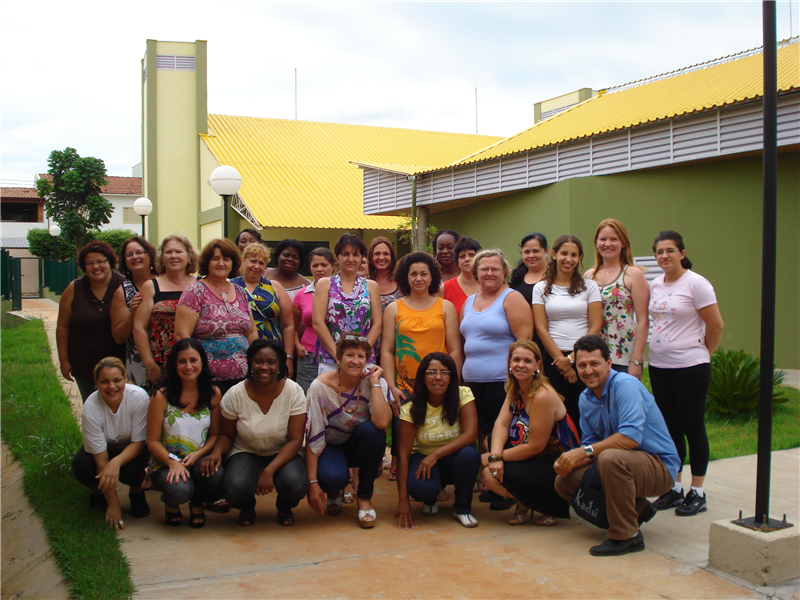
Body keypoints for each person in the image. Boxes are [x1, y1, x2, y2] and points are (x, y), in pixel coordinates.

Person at [554, 335, 680, 556]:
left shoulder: (625, 385)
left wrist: (585, 451)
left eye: (595, 364)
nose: (588, 371)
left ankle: (627, 537)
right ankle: (638, 508)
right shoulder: (585, 398)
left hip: (659, 467)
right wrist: (569, 460)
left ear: (609, 363)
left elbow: (630, 438)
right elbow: (590, 444)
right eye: (582, 365)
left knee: (610, 458)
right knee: (565, 480)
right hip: (623, 465)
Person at [648, 230, 724, 516]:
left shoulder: (696, 284)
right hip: (659, 365)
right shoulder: (655, 285)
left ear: (682, 253)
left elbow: (715, 326)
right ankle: (673, 487)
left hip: (691, 366)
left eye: (670, 250)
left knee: (693, 426)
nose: (664, 256)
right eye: (659, 252)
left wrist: (702, 353)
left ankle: (698, 491)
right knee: (670, 428)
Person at [201, 339, 308, 527]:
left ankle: (285, 507)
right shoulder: (235, 394)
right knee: (234, 488)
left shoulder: (293, 391)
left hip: (283, 451)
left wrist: (269, 471)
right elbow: (227, 435)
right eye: (258, 361)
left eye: (271, 362)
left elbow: (295, 440)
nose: (264, 367)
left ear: (280, 364)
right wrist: (217, 452)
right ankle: (246, 508)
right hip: (246, 450)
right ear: (250, 363)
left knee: (296, 484)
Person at [461, 249, 532, 510]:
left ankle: (509, 488)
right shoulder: (469, 301)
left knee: (504, 435)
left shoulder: (510, 299)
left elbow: (524, 343)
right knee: (485, 435)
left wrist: (519, 380)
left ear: (505, 272)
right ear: (475, 272)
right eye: (484, 268)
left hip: (502, 381)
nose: (489, 273)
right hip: (473, 381)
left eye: (495, 268)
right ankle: (493, 483)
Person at [382, 252, 463, 482]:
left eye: (424, 274)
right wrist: (391, 386)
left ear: (432, 277)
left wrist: (451, 381)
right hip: (405, 386)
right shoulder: (393, 308)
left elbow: (455, 349)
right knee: (406, 436)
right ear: (405, 278)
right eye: (413, 273)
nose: (419, 278)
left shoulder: (445, 307)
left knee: (439, 434)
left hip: (440, 384)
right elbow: (387, 350)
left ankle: (439, 479)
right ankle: (408, 478)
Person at [481, 341, 579, 526]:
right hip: (532, 452)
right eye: (516, 359)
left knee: (489, 475)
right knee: (489, 442)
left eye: (527, 361)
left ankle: (548, 502)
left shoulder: (541, 395)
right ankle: (526, 500)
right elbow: (501, 424)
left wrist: (495, 457)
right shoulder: (516, 387)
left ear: (537, 365)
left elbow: (536, 446)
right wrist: (495, 456)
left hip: (555, 459)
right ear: (509, 363)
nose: (521, 365)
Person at [305, 334, 392, 528]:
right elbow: (313, 434)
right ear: (338, 359)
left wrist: (375, 382)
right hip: (331, 445)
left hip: (359, 445)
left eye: (361, 356)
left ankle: (364, 497)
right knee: (333, 478)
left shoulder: (374, 382)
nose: (355, 361)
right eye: (349, 355)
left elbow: (382, 422)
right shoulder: (320, 387)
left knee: (374, 432)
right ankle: (335, 490)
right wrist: (312, 482)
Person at [395, 353, 480, 529]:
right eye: (432, 372)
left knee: (470, 455)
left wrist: (436, 454)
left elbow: (471, 434)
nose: (438, 378)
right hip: (423, 460)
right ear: (423, 378)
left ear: (451, 378)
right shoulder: (410, 408)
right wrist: (403, 500)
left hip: (452, 458)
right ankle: (430, 499)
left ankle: (462, 508)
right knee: (420, 488)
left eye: (444, 372)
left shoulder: (463, 394)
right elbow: (403, 456)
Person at [146, 338, 224, 528]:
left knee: (215, 474)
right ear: (174, 365)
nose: (188, 366)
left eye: (193, 360)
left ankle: (197, 504)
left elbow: (215, 435)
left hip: (197, 458)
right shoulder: (161, 396)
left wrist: (198, 454)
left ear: (202, 362)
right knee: (179, 490)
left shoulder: (213, 393)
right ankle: (172, 505)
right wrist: (172, 462)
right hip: (165, 461)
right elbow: (152, 441)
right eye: (182, 361)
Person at [71, 357, 150, 531]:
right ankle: (98, 493)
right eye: (104, 382)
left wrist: (115, 463)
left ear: (124, 378)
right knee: (82, 465)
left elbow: (138, 443)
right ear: (96, 383)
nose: (112, 387)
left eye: (117, 380)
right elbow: (101, 461)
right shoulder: (90, 408)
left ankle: (136, 490)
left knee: (131, 470)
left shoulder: (139, 397)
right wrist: (114, 505)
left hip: (131, 448)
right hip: (103, 450)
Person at [532, 235, 602, 426]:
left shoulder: (590, 286)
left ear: (579, 258)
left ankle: (589, 451)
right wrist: (561, 362)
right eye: (564, 253)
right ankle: (565, 452)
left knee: (586, 411)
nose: (568, 259)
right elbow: (541, 328)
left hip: (584, 357)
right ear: (554, 254)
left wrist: (572, 358)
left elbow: (595, 325)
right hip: (553, 359)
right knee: (560, 413)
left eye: (574, 255)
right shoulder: (540, 288)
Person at [175, 238, 258, 395]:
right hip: (207, 380)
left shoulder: (241, 292)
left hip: (242, 380)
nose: (221, 263)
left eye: (226, 259)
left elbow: (252, 332)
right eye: (215, 259)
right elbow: (182, 335)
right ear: (207, 262)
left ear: (233, 263)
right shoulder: (194, 291)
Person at [57, 240, 126, 401]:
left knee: (119, 411)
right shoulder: (74, 288)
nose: (96, 267)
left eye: (101, 261)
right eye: (90, 263)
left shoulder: (124, 285)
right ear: (83, 266)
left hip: (120, 366)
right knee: (92, 408)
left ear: (110, 262)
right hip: (84, 365)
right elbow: (63, 326)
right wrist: (64, 360)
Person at [585, 219, 649, 380]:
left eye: (614, 239)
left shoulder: (633, 274)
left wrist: (636, 359)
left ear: (623, 243)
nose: (608, 244)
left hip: (623, 355)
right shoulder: (588, 276)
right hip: (594, 356)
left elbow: (642, 320)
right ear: (596, 242)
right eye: (603, 239)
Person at [133, 234, 198, 389]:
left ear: (189, 257)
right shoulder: (150, 286)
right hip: (161, 363)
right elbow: (139, 328)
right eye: (168, 252)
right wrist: (150, 365)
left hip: (195, 362)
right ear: (161, 258)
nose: (173, 256)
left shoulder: (201, 284)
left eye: (178, 251)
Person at [312, 233, 382, 374]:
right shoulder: (325, 284)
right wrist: (339, 356)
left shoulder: (371, 286)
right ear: (337, 257)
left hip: (363, 361)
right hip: (332, 360)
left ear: (362, 258)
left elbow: (377, 325)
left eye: (356, 254)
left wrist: (360, 356)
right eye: (345, 254)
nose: (351, 259)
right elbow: (318, 323)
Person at [231, 243, 295, 375]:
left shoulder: (274, 287)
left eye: (261, 263)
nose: (256, 266)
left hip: (271, 352)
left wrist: (288, 357)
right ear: (243, 260)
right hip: (238, 353)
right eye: (253, 261)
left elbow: (288, 325)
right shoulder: (230, 286)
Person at [111, 236, 157, 386]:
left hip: (172, 356)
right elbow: (118, 337)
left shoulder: (165, 282)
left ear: (149, 255)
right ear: (124, 261)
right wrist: (134, 312)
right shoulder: (122, 292)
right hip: (138, 363)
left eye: (139, 252)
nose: (135, 257)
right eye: (129, 254)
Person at [293, 247, 336, 393]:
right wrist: (297, 345)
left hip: (335, 354)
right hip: (309, 355)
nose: (319, 269)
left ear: (333, 267)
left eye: (324, 265)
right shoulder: (301, 294)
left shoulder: (342, 294)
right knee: (306, 397)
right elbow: (292, 325)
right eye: (315, 265)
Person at [367, 236, 402, 365]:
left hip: (398, 346)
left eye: (386, 253)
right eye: (377, 254)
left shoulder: (402, 284)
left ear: (392, 257)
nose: (381, 257)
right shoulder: (363, 285)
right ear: (370, 257)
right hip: (370, 348)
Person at [441, 236, 482, 316]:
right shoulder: (445, 288)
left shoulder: (490, 286)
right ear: (457, 261)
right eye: (462, 256)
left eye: (471, 255)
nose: (467, 259)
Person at [509, 232, 549, 305]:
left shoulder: (557, 275)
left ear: (546, 251)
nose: (531, 255)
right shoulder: (517, 277)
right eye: (527, 252)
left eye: (535, 251)